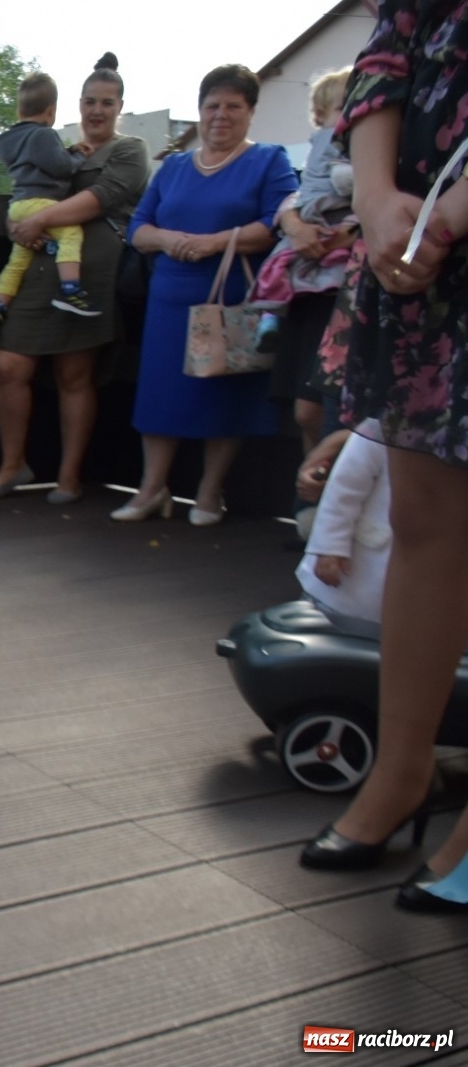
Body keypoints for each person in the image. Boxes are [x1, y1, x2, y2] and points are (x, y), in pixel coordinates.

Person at [297, 0, 468, 917]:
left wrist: (444, 215)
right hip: (417, 245)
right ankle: (402, 774)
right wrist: (373, 199)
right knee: (424, 522)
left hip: (437, 231)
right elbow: (387, 61)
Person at [114, 64, 298, 526]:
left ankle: (209, 493)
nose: (221, 115)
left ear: (251, 112)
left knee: (225, 395)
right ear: (199, 112)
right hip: (169, 297)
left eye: (233, 106)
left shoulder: (268, 160)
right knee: (158, 396)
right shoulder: (174, 167)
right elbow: (138, 228)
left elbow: (277, 223)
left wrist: (216, 242)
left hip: (231, 300)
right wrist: (169, 239)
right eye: (212, 106)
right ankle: (152, 489)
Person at [0, 53, 149, 504]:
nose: (97, 110)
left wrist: (39, 221)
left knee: (76, 375)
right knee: (7, 365)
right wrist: (23, 224)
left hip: (88, 275)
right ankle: (13, 464)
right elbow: (25, 193)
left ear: (120, 107)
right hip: (37, 271)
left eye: (107, 103)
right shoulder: (53, 146)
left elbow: (101, 198)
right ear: (77, 104)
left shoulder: (130, 150)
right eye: (90, 101)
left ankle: (70, 476)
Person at [256, 67, 358, 455]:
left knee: (331, 412)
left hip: (346, 288)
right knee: (307, 411)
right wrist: (294, 223)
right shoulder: (328, 144)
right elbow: (301, 195)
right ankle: (312, 500)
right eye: (342, 106)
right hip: (313, 289)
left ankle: (326, 501)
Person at [0, 72, 101, 338]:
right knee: (71, 233)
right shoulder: (43, 135)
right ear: (51, 111)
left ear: (20, 110)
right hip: (40, 203)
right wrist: (77, 155)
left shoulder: (16, 139)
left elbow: (45, 163)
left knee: (18, 261)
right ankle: (70, 289)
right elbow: (61, 167)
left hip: (18, 205)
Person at [295, 419, 388, 638]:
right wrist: (330, 546)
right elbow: (343, 488)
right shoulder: (383, 425)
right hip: (357, 567)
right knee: (326, 632)